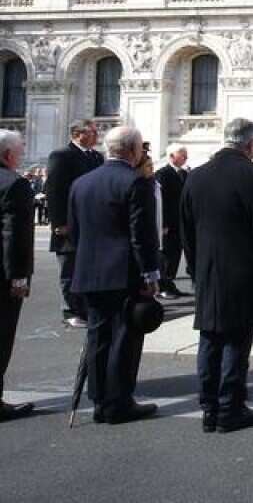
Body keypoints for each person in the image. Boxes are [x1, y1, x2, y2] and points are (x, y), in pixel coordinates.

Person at [181, 119, 253, 433]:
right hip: (244, 269)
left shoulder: (196, 175)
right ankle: (230, 407)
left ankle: (209, 407)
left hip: (207, 268)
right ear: (250, 145)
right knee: (237, 340)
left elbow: (186, 227)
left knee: (209, 337)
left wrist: (195, 266)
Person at [67, 126, 161, 425]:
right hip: (123, 273)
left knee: (97, 336)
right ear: (132, 150)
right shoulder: (136, 182)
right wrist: (150, 274)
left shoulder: (81, 183)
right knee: (124, 338)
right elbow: (140, 235)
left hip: (89, 271)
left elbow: (76, 233)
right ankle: (118, 401)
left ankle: (98, 399)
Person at [46, 120, 103, 327]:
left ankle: (85, 307)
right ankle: (70, 310)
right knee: (69, 269)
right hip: (69, 223)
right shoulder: (62, 156)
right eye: (93, 132)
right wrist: (59, 222)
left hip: (91, 222)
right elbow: (54, 190)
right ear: (79, 134)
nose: (97, 136)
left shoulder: (96, 157)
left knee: (87, 267)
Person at [0, 131, 35, 422]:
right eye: (21, 151)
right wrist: (19, 278)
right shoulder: (15, 184)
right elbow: (16, 237)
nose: (22, 155)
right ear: (8, 155)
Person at [153, 144, 190, 300]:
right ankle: (163, 286)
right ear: (172, 156)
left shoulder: (184, 174)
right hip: (168, 223)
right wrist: (163, 224)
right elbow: (162, 201)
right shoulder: (163, 174)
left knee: (176, 254)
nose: (186, 157)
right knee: (167, 255)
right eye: (183, 154)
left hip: (180, 222)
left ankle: (170, 283)